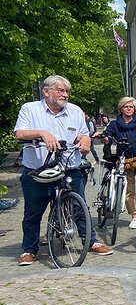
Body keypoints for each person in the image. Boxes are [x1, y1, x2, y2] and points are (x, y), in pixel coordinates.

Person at [14, 75, 113, 266]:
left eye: (67, 91)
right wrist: (42, 133)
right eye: (60, 90)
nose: (65, 95)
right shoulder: (30, 109)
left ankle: (90, 242)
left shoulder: (75, 111)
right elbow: (20, 133)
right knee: (33, 213)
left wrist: (85, 140)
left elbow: (84, 133)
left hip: (69, 168)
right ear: (46, 92)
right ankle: (29, 249)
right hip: (38, 171)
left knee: (79, 207)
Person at [103, 97, 136, 230]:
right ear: (121, 109)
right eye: (126, 106)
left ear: (134, 109)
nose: (129, 109)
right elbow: (108, 134)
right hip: (124, 161)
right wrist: (106, 138)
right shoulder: (115, 124)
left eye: (131, 107)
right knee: (128, 191)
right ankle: (134, 216)